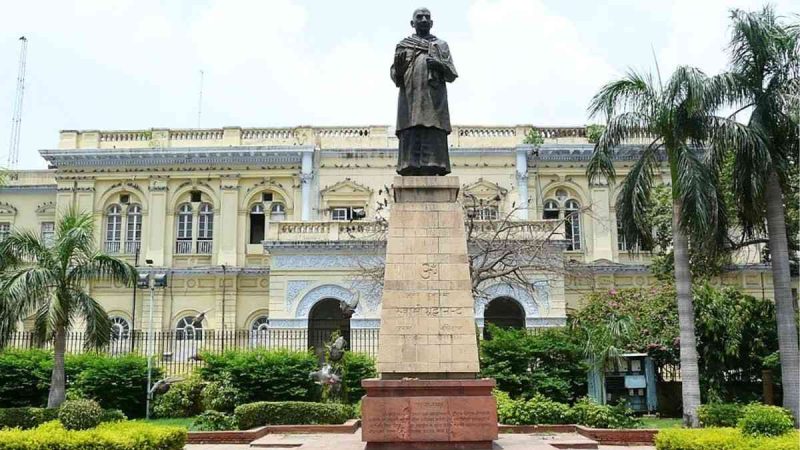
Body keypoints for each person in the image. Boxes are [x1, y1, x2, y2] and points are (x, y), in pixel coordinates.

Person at [391, 7, 458, 176]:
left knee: (433, 127)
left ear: (432, 22)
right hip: (410, 99)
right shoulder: (403, 46)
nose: (423, 19)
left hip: (434, 100)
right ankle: (410, 164)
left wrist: (439, 65)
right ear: (412, 23)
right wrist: (398, 70)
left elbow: (451, 75)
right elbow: (396, 77)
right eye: (419, 17)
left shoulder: (441, 45)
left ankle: (436, 164)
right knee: (412, 127)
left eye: (427, 17)